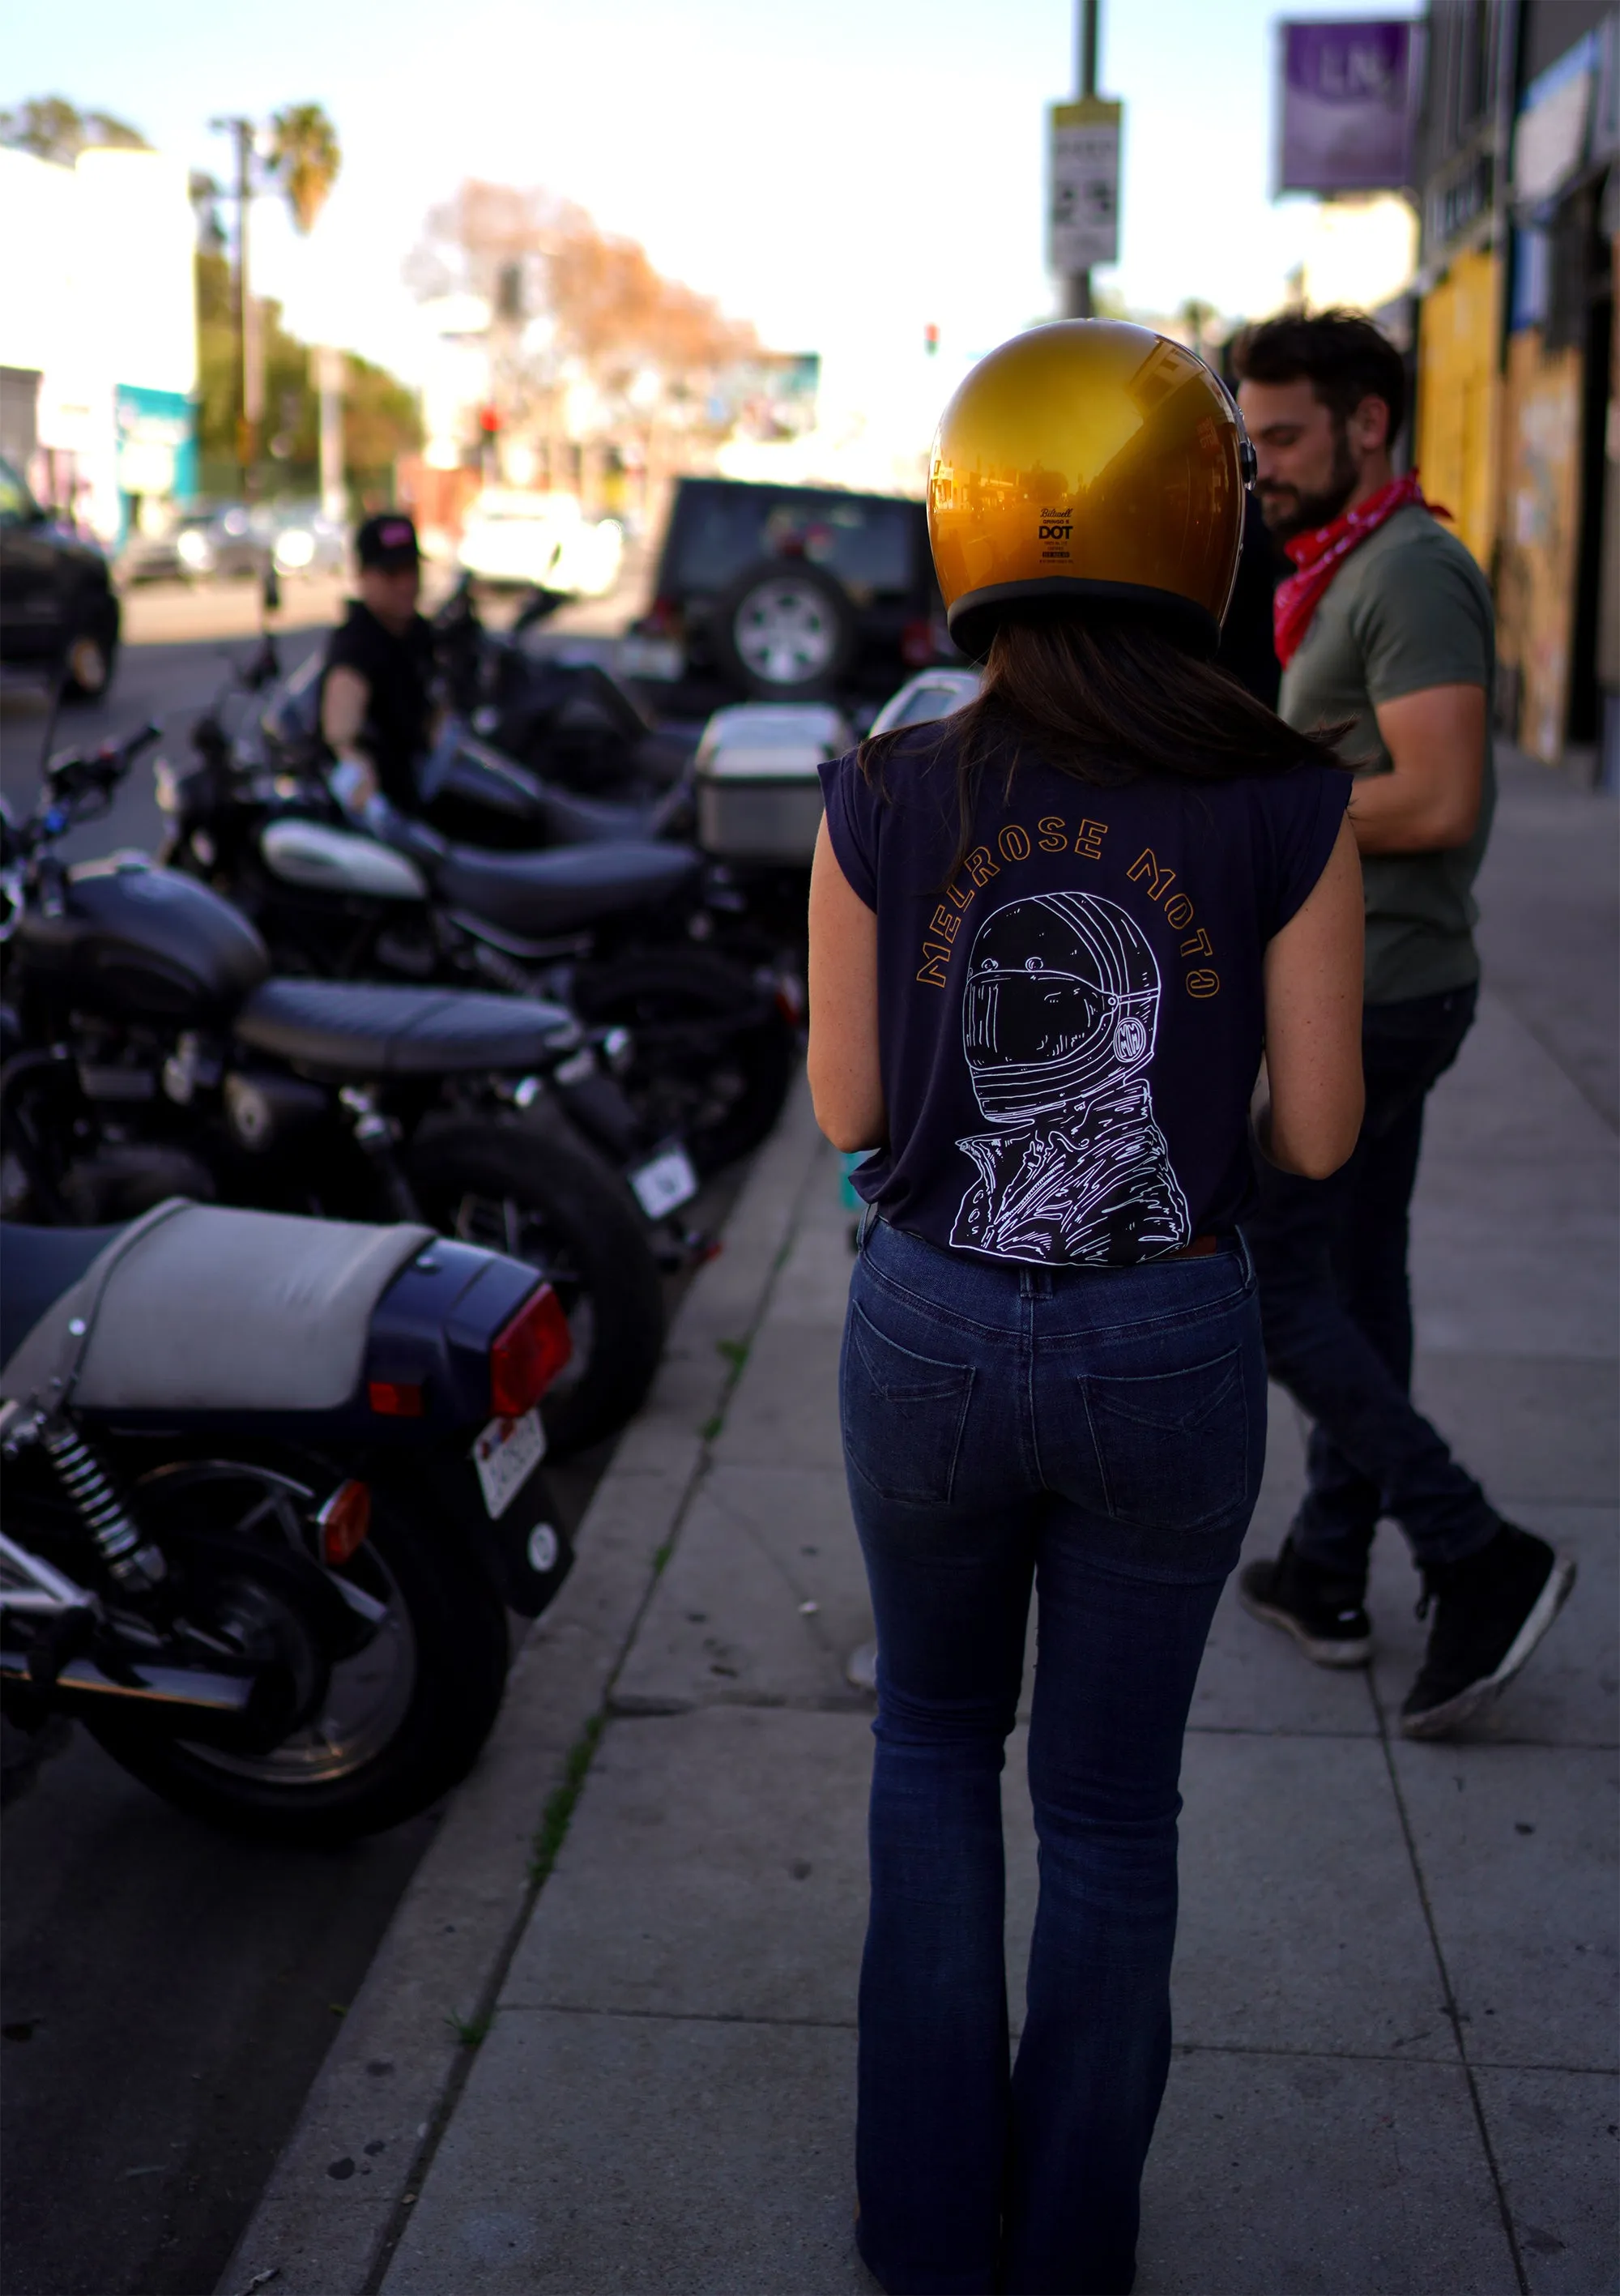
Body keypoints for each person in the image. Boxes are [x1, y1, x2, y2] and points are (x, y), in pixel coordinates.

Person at [808, 320, 1366, 2296]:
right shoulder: (1287, 797)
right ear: (1200, 522)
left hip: (932, 1320)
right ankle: (1067, 2243)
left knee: (931, 1747)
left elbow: (850, 1109)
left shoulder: (879, 780)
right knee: (1114, 1809)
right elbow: (1314, 1129)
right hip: (1167, 1336)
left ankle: (921, 2222)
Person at [1231, 309, 1575, 1737]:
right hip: (1365, 981)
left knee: (1262, 1270)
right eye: (1251, 446)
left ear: (1370, 422)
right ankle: (1324, 1566)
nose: (1265, 471)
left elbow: (1439, 800)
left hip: (1373, 997)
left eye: (1288, 439)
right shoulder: (1346, 567)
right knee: (1358, 1281)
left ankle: (1474, 1548)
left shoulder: (1415, 570)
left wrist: (1255, 806)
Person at [318, 511, 439, 818]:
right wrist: (353, 761)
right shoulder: (358, 641)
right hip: (388, 813)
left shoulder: (417, 631)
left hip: (427, 786)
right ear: (362, 576)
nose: (407, 583)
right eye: (392, 573)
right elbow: (341, 728)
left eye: (411, 569)